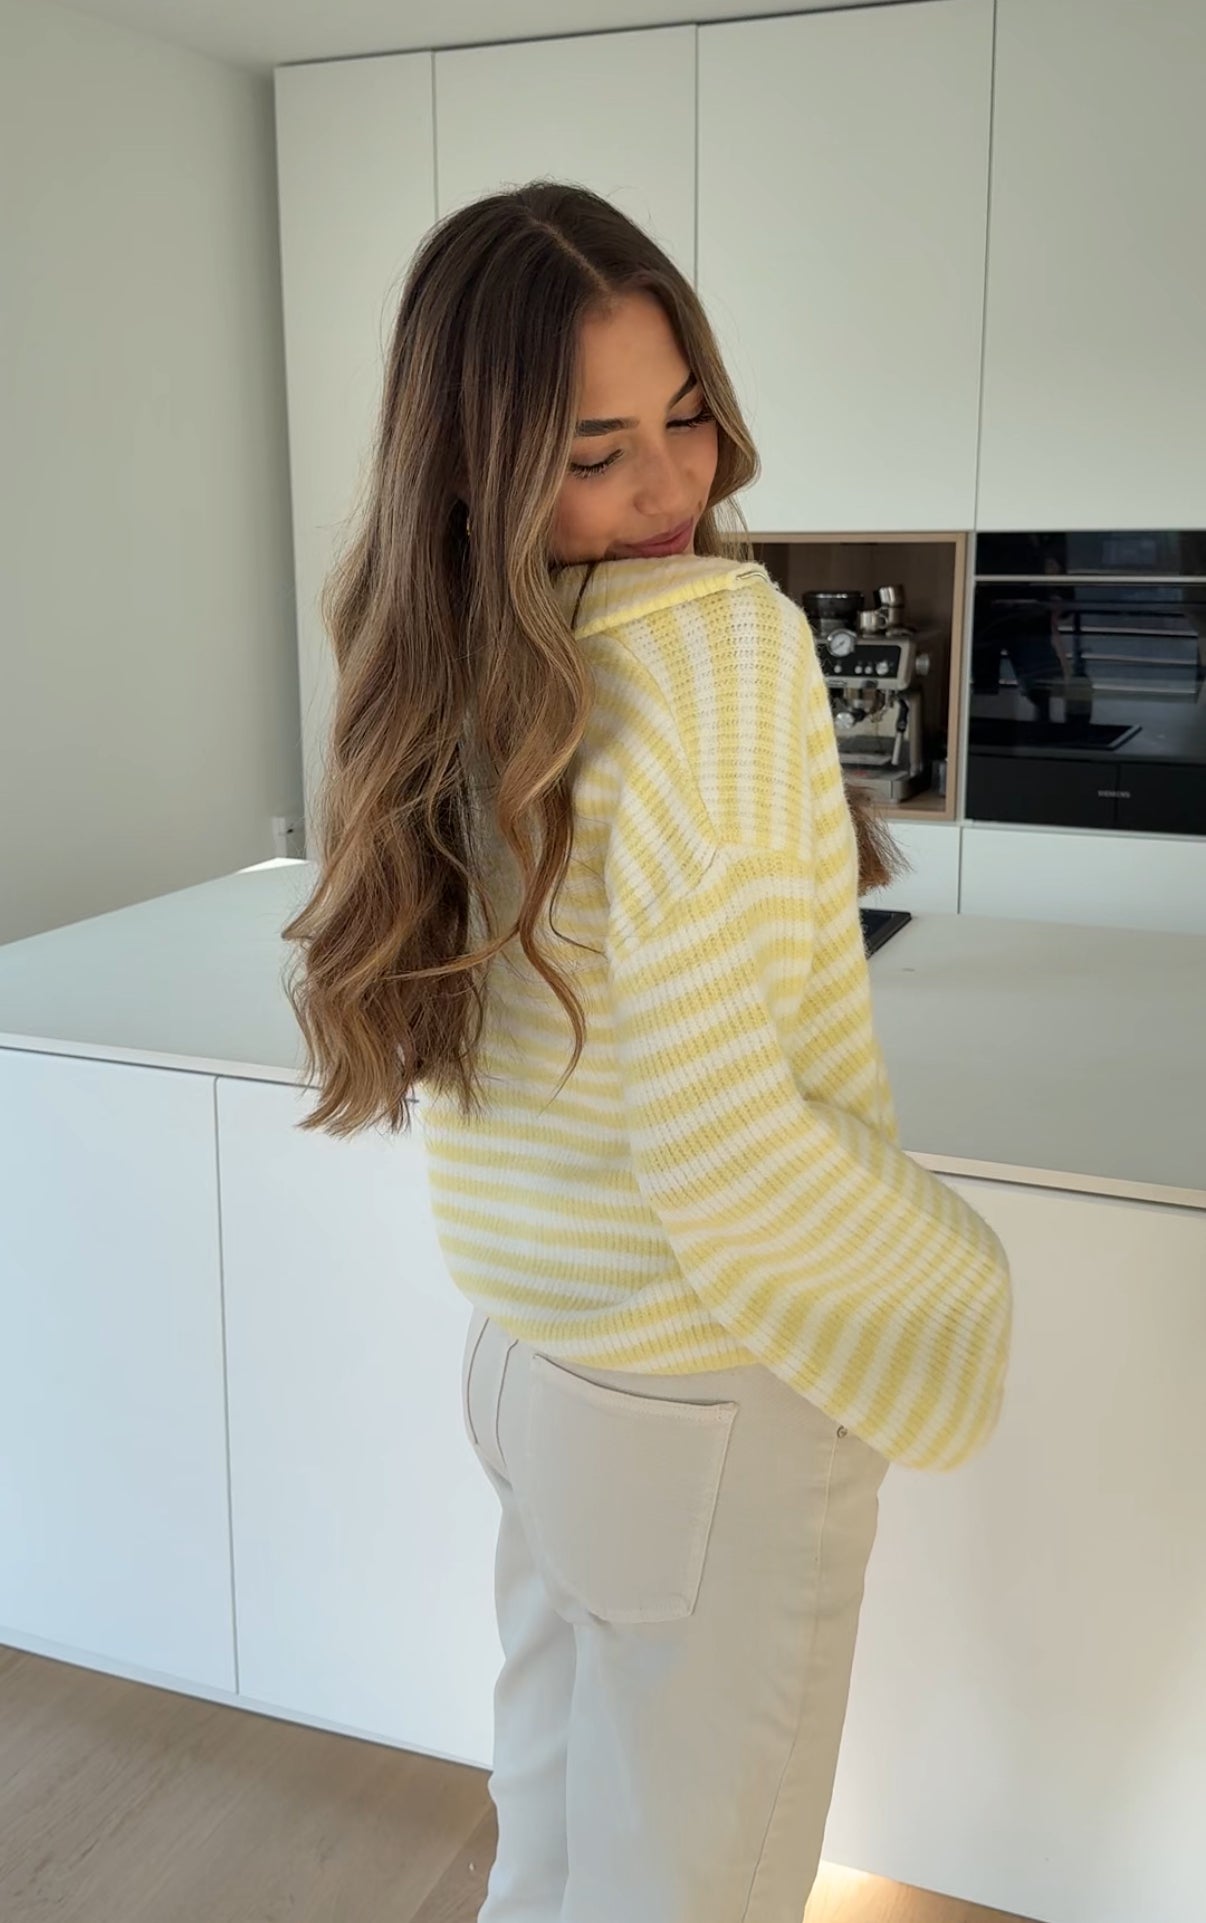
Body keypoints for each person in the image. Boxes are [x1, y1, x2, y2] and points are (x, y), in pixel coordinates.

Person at [282, 182, 1012, 1923]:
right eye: (593, 450)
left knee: (551, 1854)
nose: (670, 484)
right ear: (474, 466)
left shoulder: (451, 658)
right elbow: (719, 1140)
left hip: (530, 1365)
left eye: (683, 415)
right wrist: (953, 1280)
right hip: (701, 1387)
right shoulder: (716, 643)